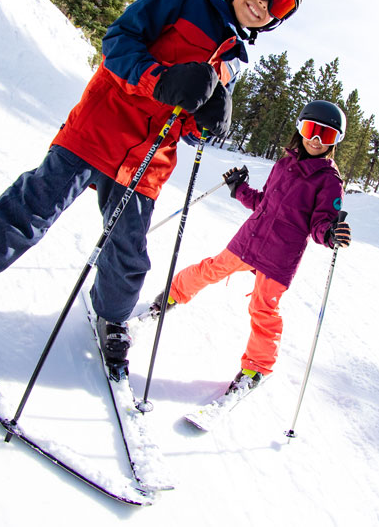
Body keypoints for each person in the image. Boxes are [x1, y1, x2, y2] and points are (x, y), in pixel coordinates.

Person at [0, 0, 305, 395]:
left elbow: (185, 120)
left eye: (279, 5)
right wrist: (159, 79)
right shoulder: (183, 1)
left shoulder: (233, 62)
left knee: (127, 257)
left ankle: (110, 318)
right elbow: (118, 42)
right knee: (24, 217)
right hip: (98, 129)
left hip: (147, 162)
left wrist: (203, 121)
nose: (263, 4)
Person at [149, 100, 352, 396]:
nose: (317, 140)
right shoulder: (284, 163)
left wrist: (330, 233)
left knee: (263, 307)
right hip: (252, 238)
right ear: (301, 129)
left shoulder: (330, 182)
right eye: (312, 130)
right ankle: (173, 294)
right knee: (212, 268)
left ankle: (256, 367)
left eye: (327, 136)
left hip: (282, 254)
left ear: (335, 142)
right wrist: (239, 189)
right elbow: (264, 202)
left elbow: (319, 224)